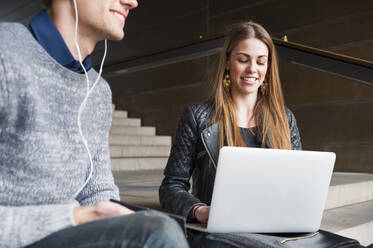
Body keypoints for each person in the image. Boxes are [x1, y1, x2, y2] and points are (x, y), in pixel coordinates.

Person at [0, 0, 189, 247]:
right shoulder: (6, 52)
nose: (132, 2)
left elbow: (97, 193)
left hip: (67, 236)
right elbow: (89, 212)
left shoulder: (98, 91)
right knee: (157, 233)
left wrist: (111, 215)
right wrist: (75, 217)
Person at [159, 21, 302, 246]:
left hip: (275, 231)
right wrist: (199, 210)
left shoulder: (286, 119)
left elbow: (298, 185)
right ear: (227, 62)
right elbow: (171, 187)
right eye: (243, 59)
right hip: (222, 235)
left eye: (260, 61)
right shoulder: (197, 117)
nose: (252, 69)